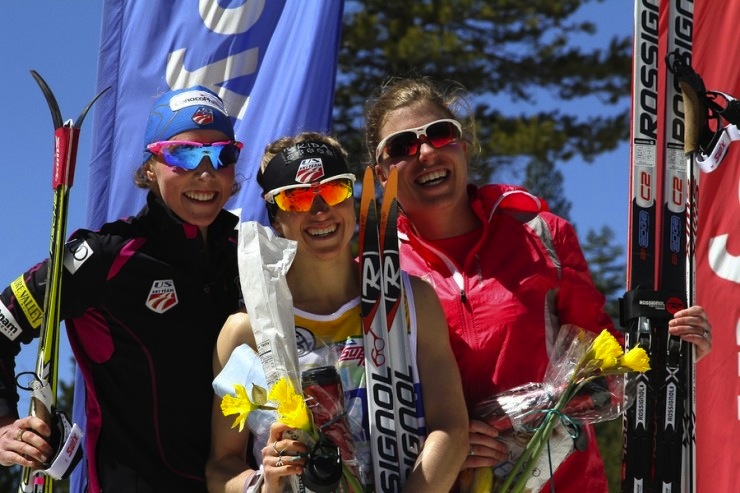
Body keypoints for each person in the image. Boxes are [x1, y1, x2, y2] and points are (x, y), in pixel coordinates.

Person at [363, 76, 713, 492]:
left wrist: (671, 352)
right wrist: (444, 441)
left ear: (464, 146)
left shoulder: (540, 236)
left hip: (563, 483)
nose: (425, 152)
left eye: (441, 135)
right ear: (380, 174)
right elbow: (367, 407)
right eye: (402, 146)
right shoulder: (371, 277)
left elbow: (605, 370)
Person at [0, 85, 244, 492]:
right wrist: (4, 423)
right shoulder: (104, 257)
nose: (206, 171)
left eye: (223, 154)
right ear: (151, 166)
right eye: (183, 155)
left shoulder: (245, 256)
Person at [205, 132, 468, 493]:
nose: (320, 210)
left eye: (333, 191)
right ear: (276, 217)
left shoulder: (411, 299)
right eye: (296, 198)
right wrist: (261, 484)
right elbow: (221, 466)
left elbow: (451, 428)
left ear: (352, 200)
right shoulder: (245, 331)